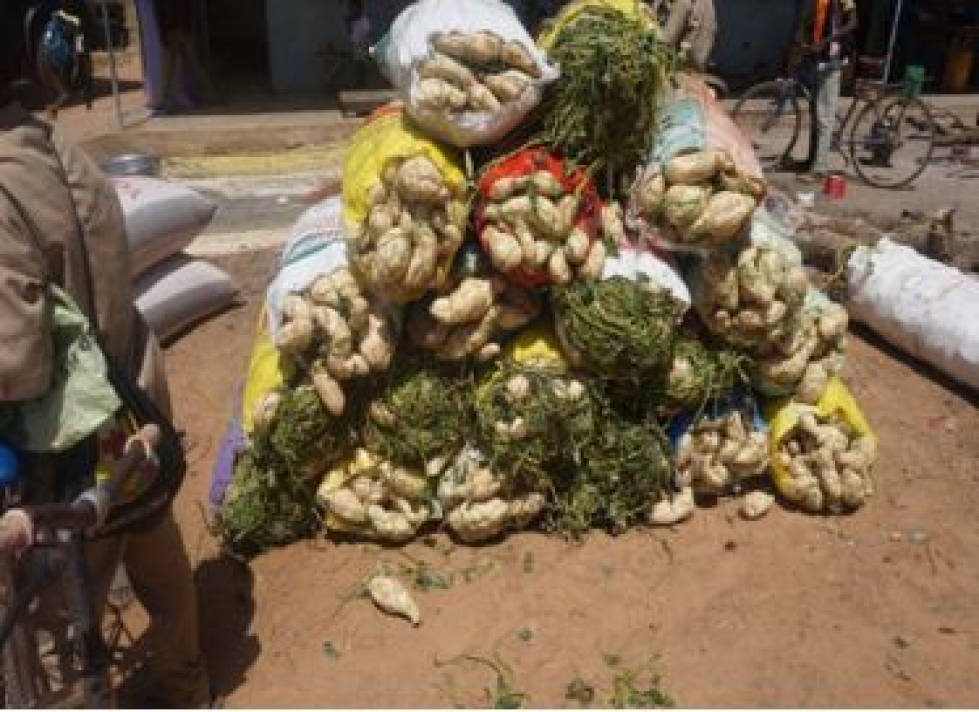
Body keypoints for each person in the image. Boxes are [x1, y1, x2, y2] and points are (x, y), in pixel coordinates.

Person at [0, 34, 211, 708]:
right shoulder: (60, 151)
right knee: (153, 541)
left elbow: (21, 361)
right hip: (133, 399)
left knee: (61, 603)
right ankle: (188, 684)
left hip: (72, 434)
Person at [800, 0, 858, 179]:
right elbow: (814, 22)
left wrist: (826, 41)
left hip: (832, 59)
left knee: (825, 115)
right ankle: (812, 160)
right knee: (815, 112)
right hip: (819, 57)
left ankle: (819, 168)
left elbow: (853, 22)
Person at [656, 0, 717, 72]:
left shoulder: (683, 3)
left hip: (681, 67)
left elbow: (666, 41)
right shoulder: (707, 4)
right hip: (695, 65)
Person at [346, 0, 372, 88]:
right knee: (357, 65)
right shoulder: (353, 21)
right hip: (355, 45)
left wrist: (369, 48)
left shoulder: (363, 20)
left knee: (361, 65)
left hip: (362, 45)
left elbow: (367, 34)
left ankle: (362, 83)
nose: (351, 11)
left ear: (359, 9)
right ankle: (359, 82)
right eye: (350, 9)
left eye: (353, 8)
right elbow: (351, 34)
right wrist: (348, 25)